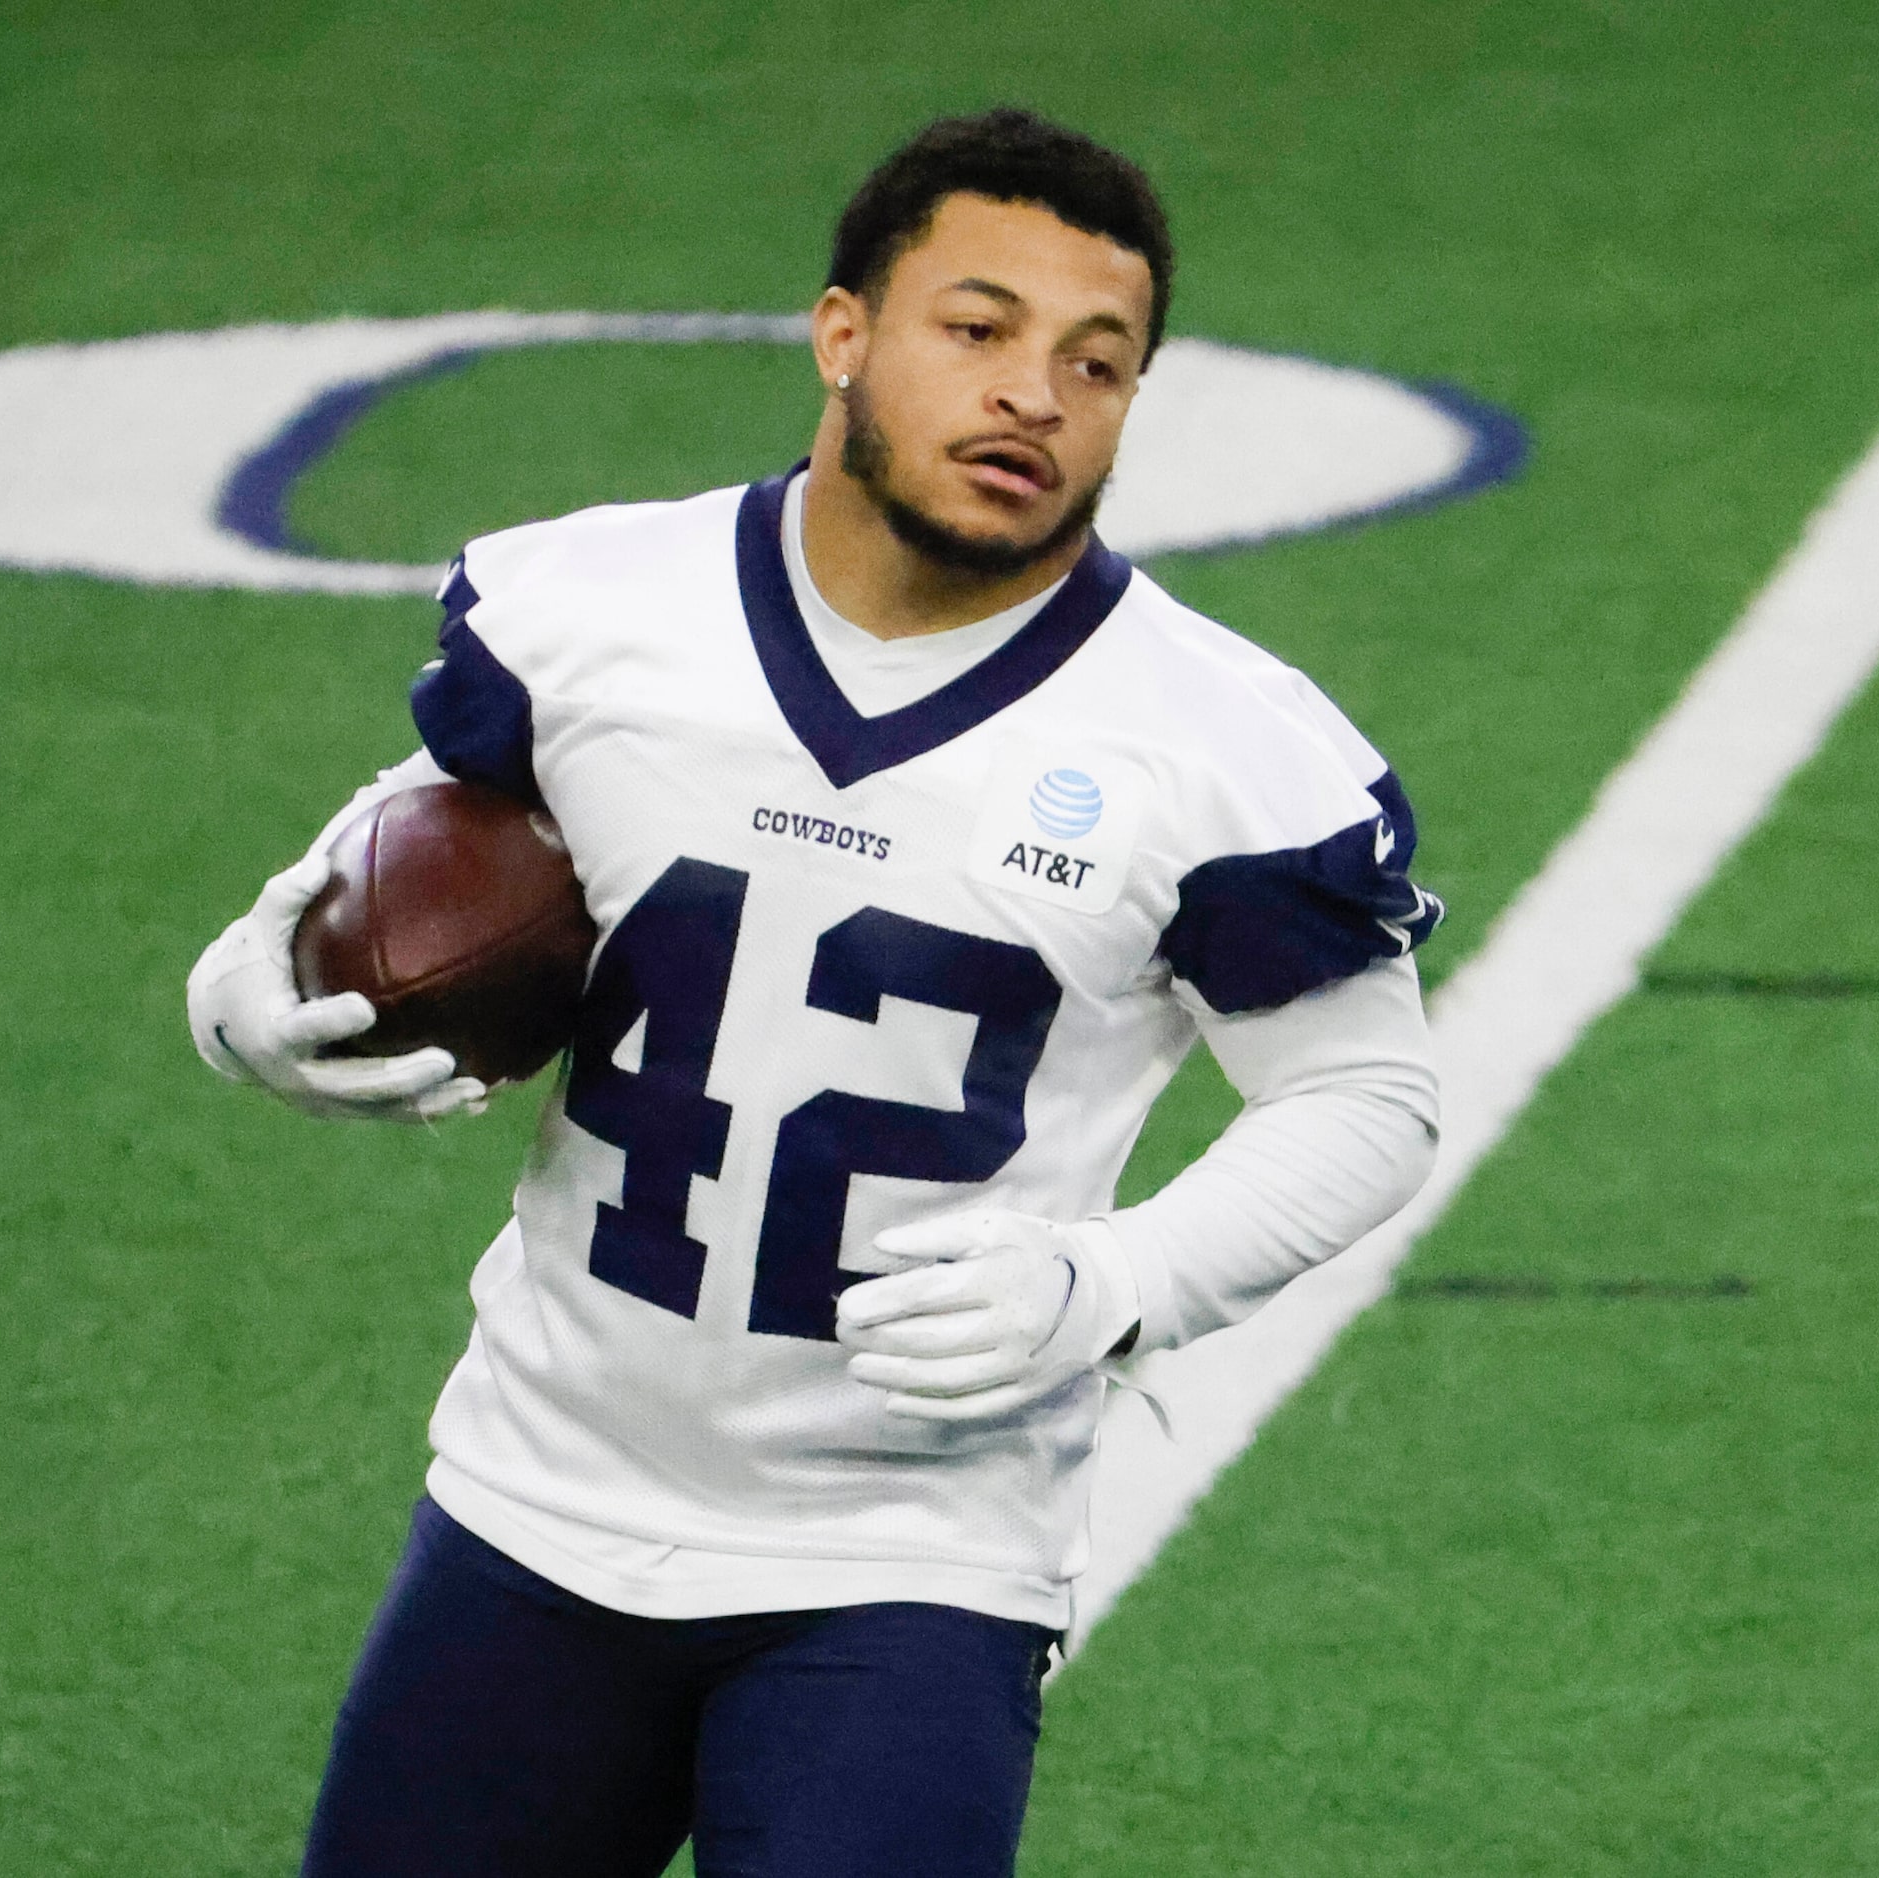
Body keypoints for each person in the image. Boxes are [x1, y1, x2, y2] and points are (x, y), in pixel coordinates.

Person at [187, 106, 1442, 1878]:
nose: (1033, 394)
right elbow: (412, 853)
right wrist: (244, 989)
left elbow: (1366, 1097)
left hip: (907, 1559)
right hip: (535, 1500)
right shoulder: (595, 606)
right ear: (842, 333)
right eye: (978, 328)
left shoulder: (1223, 745)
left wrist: (1117, 1274)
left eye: (1097, 362)